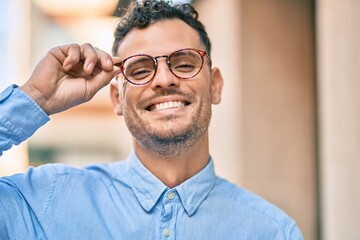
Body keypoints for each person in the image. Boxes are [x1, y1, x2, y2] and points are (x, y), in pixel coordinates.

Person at [0, 0, 304, 239]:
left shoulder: (273, 231)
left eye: (184, 63)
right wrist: (35, 98)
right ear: (117, 98)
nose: (164, 79)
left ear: (215, 85)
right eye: (141, 69)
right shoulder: (46, 201)